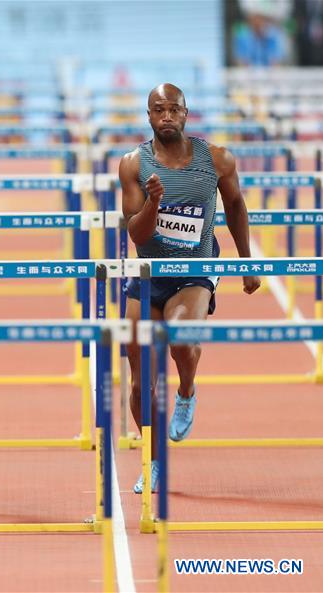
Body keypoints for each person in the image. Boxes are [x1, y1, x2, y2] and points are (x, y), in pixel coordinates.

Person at [120, 83, 261, 493]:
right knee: (138, 378)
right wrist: (152, 205)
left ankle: (186, 389)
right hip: (148, 272)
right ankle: (152, 456)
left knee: (180, 338)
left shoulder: (217, 159)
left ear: (186, 114)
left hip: (195, 269)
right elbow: (135, 232)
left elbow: (235, 206)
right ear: (148, 116)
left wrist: (246, 262)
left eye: (174, 109)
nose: (166, 116)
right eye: (158, 110)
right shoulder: (133, 165)